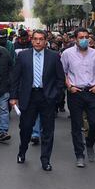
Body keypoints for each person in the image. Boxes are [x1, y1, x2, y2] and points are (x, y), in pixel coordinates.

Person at [11, 29, 65, 171]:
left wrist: (56, 95)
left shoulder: (54, 56)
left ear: (45, 41)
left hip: (47, 97)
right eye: (35, 39)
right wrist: (13, 97)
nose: (38, 41)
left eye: (41, 39)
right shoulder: (23, 56)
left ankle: (45, 160)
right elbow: (15, 78)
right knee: (26, 128)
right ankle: (22, 151)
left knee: (48, 130)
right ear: (32, 40)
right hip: (28, 96)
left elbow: (60, 78)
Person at [61, 28, 95, 167]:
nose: (84, 39)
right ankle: (79, 155)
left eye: (86, 37)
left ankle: (89, 143)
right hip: (75, 92)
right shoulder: (67, 54)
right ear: (75, 39)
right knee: (76, 125)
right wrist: (69, 86)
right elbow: (62, 72)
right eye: (81, 37)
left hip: (91, 91)